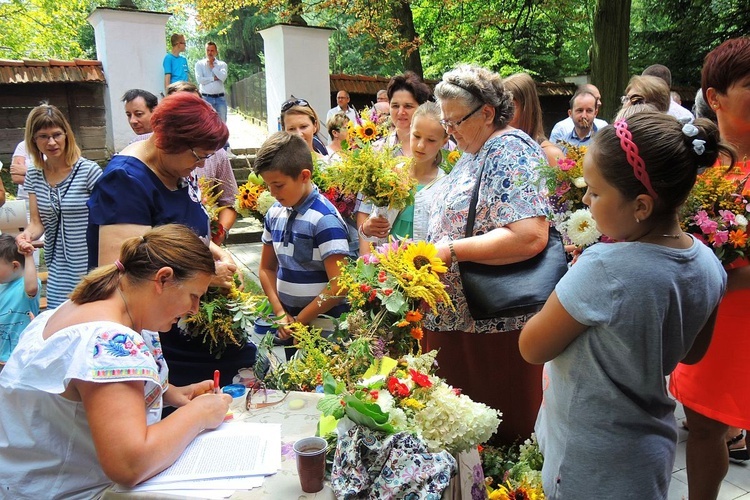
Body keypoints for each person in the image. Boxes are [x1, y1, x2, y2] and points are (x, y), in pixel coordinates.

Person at [520, 112, 728, 499]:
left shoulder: (604, 268)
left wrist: (570, 283)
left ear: (642, 206)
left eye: (595, 193)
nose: (585, 199)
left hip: (589, 460)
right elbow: (694, 353)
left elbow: (532, 347)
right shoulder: (709, 266)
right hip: (649, 453)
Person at [0, 225, 232, 498]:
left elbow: (82, 397)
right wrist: (199, 414)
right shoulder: (109, 342)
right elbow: (129, 464)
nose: (194, 309)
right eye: (194, 296)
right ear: (163, 279)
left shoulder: (83, 308)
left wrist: (171, 394)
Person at [86, 92, 252, 389]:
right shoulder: (125, 182)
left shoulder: (174, 168)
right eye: (198, 156)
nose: (201, 164)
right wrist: (207, 276)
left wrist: (216, 254)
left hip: (178, 311)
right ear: (169, 141)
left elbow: (184, 230)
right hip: (156, 328)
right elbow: (123, 272)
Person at [423, 64, 550, 445]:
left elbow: (529, 236)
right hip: (461, 318)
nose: (449, 131)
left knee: (500, 430)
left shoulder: (510, 149)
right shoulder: (474, 150)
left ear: (487, 113)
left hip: (492, 321)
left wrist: (447, 250)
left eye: (455, 121)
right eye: (444, 123)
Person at [669, 37, 750, 498]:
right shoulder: (695, 167)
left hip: (733, 306)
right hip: (713, 328)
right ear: (714, 96)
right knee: (705, 429)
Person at [255, 132, 352, 359]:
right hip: (290, 324)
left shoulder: (324, 219)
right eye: (268, 185)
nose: (272, 193)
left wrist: (301, 321)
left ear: (304, 176)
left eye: (278, 185)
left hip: (326, 328)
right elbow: (266, 268)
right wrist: (281, 314)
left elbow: (339, 285)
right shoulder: (274, 213)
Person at [16, 104, 102, 309]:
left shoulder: (89, 171)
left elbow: (107, 221)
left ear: (67, 135)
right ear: (33, 140)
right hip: (58, 267)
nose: (52, 142)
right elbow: (37, 223)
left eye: (56, 134)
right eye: (43, 136)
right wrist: (26, 236)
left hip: (90, 264)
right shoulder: (35, 174)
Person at [354, 72, 433, 253]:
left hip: (428, 244)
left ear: (421, 108)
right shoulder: (376, 151)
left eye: (408, 106)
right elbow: (364, 208)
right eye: (395, 105)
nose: (401, 112)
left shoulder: (441, 150)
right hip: (386, 245)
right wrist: (365, 257)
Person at [359, 102, 448, 245]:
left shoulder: (445, 186)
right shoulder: (391, 174)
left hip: (422, 263)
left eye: (431, 140)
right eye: (416, 136)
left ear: (444, 141)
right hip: (385, 262)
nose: (421, 145)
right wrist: (366, 229)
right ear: (410, 129)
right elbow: (374, 228)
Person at [164, 81, 238, 243]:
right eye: (181, 111)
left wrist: (219, 234)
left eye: (195, 110)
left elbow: (230, 202)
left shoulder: (217, 154)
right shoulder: (140, 152)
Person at [503, 72, 565, 167]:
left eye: (510, 106)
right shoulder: (502, 148)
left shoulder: (550, 154)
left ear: (528, 109)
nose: (503, 114)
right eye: (501, 107)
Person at [0, 234, 39, 368]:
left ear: (15, 266)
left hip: (21, 355)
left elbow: (32, 287)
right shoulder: (1, 285)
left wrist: (28, 257)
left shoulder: (26, 285)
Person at [195, 41, 228, 122]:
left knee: (222, 123)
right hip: (206, 98)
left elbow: (223, 77)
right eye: (208, 50)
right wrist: (213, 78)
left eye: (212, 50)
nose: (210, 53)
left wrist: (213, 67)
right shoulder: (199, 64)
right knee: (206, 123)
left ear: (216, 52)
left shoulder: (222, 64)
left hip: (220, 99)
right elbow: (200, 80)